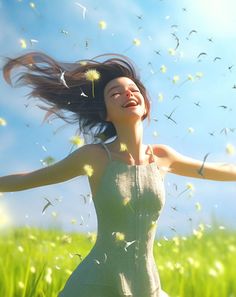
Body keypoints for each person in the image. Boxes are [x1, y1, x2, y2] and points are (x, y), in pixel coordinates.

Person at [0, 51, 235, 297]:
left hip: (146, 284)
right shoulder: (94, 157)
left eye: (134, 90)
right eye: (115, 93)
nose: (127, 94)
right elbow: (29, 179)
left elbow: (219, 170)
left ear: (146, 105)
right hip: (95, 283)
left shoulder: (163, 156)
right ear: (105, 114)